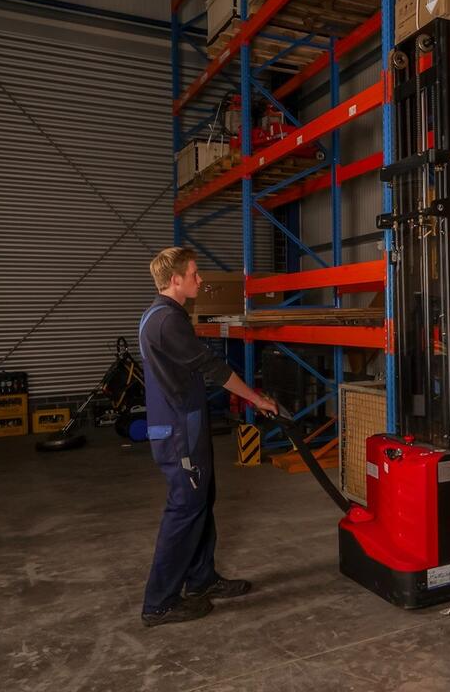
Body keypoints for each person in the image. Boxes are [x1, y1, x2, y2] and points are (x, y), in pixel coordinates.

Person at [138, 246, 277, 627]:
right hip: (179, 432)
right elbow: (212, 367)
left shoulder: (161, 315)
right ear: (175, 280)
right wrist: (257, 399)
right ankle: (159, 603)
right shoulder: (167, 321)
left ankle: (201, 579)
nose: (200, 280)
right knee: (184, 509)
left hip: (186, 425)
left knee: (201, 501)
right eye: (194, 274)